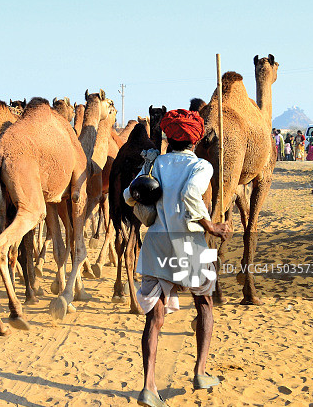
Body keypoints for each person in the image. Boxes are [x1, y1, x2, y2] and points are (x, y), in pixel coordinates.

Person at [125, 109, 232, 407]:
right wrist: (212, 225)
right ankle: (200, 372)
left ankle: (148, 388)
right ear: (195, 140)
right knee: (204, 305)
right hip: (190, 244)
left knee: (154, 319)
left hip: (156, 243)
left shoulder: (154, 164)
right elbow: (188, 195)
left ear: (168, 137)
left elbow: (128, 194)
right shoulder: (201, 167)